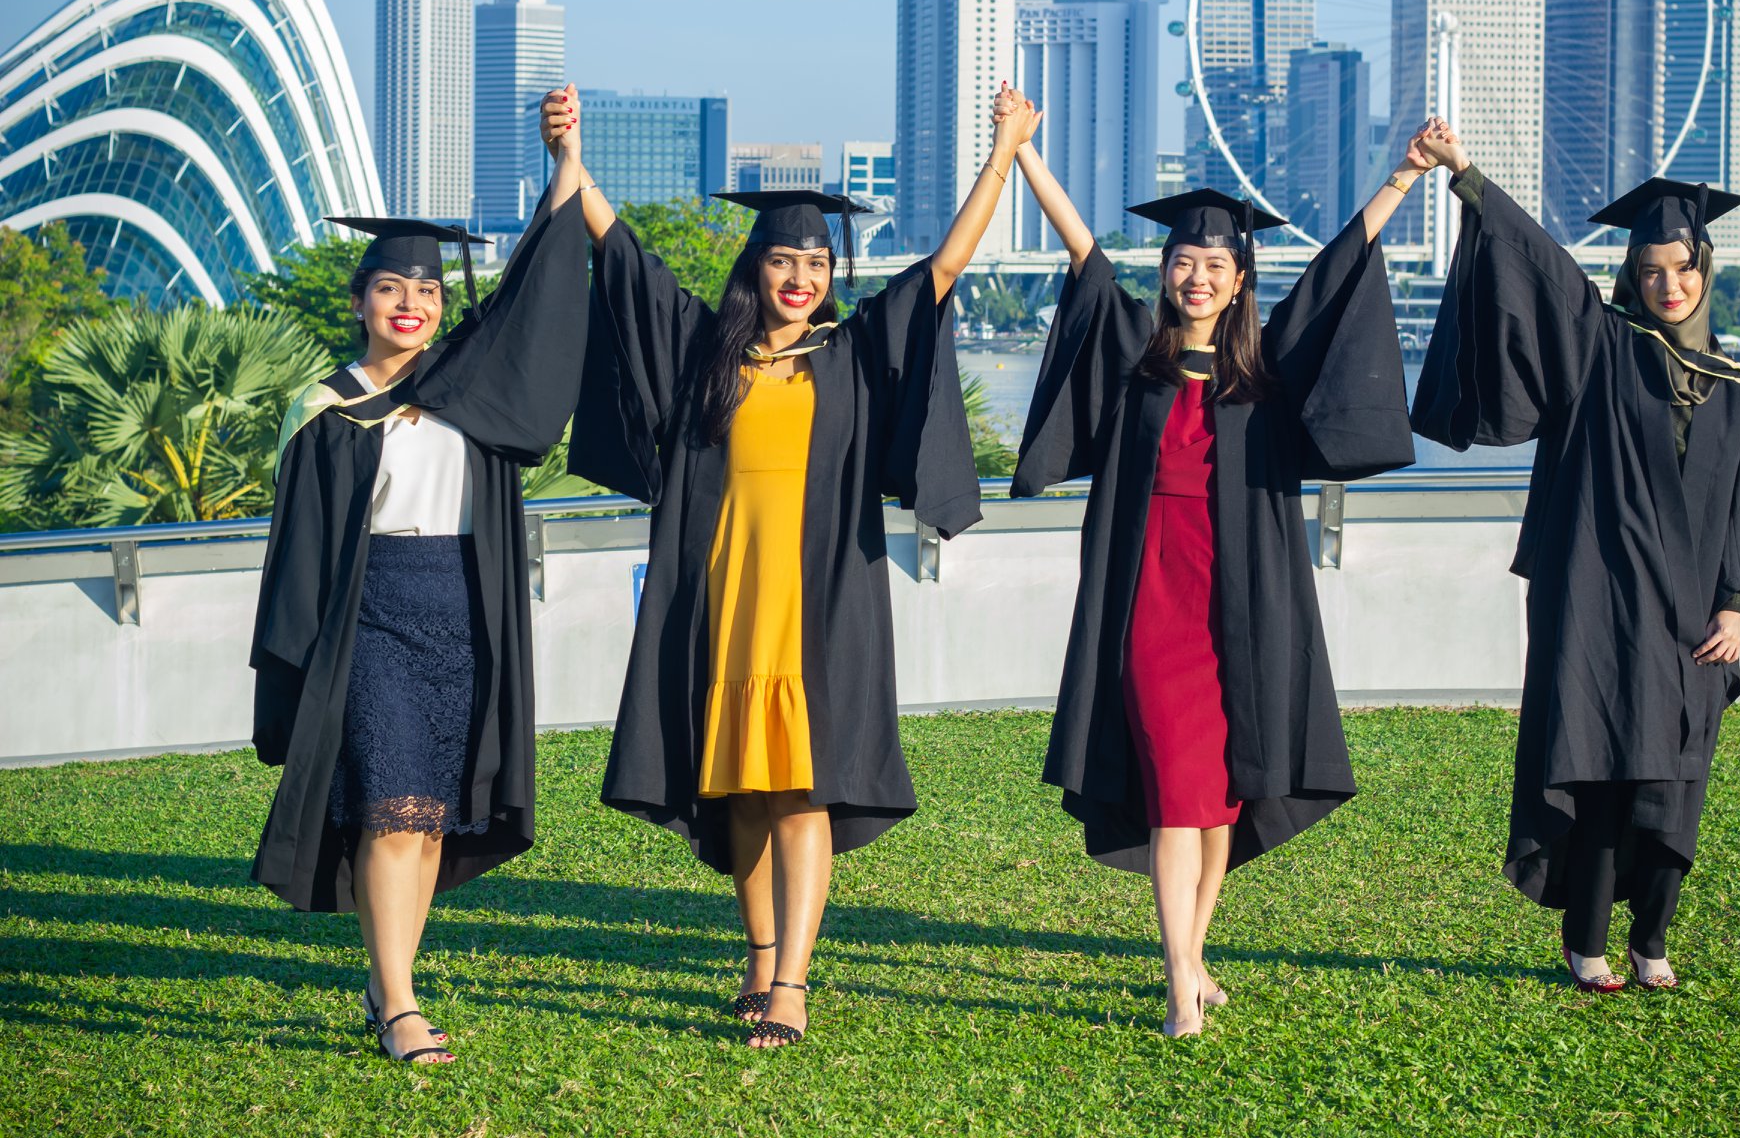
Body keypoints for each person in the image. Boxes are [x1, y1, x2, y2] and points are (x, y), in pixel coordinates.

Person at [560, 86, 1042, 1048]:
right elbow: (625, 264)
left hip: (820, 596)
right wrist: (568, 158)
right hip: (726, 591)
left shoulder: (854, 350)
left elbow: (943, 269)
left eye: (817, 262)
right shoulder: (710, 350)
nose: (801, 276)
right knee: (743, 788)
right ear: (757, 264)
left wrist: (1005, 150)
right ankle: (756, 956)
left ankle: (793, 983)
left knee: (803, 787)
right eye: (783, 259)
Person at [1005, 84, 1426, 1036]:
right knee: (1173, 790)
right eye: (1185, 261)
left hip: (1242, 603)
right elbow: (1085, 257)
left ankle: (1198, 960)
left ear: (1240, 280)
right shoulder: (1134, 358)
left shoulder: (1262, 375)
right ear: (1166, 273)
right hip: (1151, 602)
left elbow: (1336, 276)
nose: (1199, 276)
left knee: (1222, 791)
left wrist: (1401, 178)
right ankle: (1178, 978)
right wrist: (1024, 153)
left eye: (1217, 263)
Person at [249, 101, 591, 1064]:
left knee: (428, 819)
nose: (411, 303)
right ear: (358, 300)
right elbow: (299, 554)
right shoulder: (323, 412)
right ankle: (400, 1005)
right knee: (393, 808)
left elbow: (537, 283)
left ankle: (382, 984)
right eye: (391, 288)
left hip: (466, 608)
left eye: (426, 291)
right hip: (371, 617)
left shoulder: (468, 383)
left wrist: (563, 157)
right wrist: (308, 663)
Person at [1409, 119, 1740, 993]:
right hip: (1602, 603)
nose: (1667, 285)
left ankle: (1655, 938)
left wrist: (1737, 603)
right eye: (1649, 271)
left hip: (1692, 619)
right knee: (1605, 770)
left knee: (1678, 778)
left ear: (1704, 271)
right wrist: (1468, 178)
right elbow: (1542, 269)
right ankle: (1591, 941)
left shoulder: (1735, 389)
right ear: (1631, 279)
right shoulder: (1605, 348)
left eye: (1681, 269)